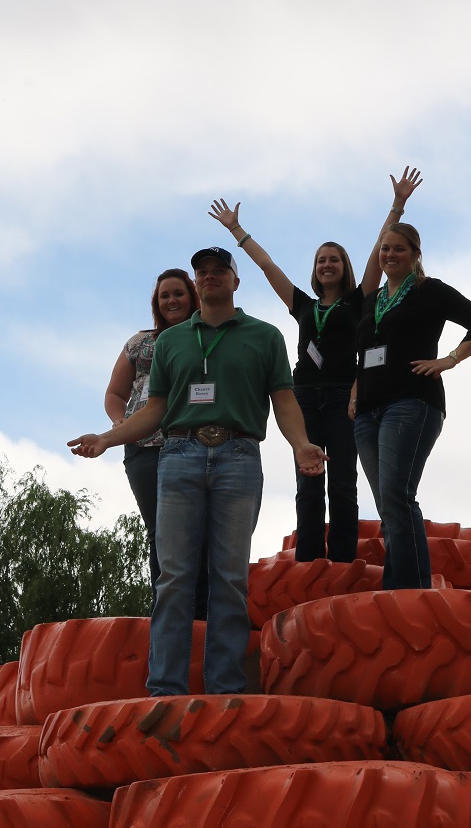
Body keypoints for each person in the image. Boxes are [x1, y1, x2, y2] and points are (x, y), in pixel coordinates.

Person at [68, 246, 326, 696]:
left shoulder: (265, 336)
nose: (210, 277)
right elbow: (155, 411)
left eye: (218, 271)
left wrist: (302, 444)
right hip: (179, 454)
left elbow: (284, 401)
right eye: (202, 272)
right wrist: (109, 438)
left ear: (234, 280)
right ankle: (165, 689)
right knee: (174, 577)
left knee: (229, 577)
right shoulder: (170, 342)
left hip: (239, 455)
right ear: (196, 281)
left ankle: (224, 688)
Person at [206, 169, 422, 562]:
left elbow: (379, 250)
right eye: (322, 260)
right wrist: (237, 231)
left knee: (342, 484)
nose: (327, 265)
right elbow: (267, 267)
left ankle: (341, 563)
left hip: (344, 398)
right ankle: (307, 563)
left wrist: (397, 205)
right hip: (302, 398)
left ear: (345, 266)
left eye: (334, 259)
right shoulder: (303, 305)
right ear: (315, 267)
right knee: (308, 483)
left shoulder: (358, 301)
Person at [351, 183, 471, 591]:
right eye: (385, 250)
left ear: (416, 254)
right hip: (367, 411)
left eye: (399, 249)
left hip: (411, 402)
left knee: (398, 494)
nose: (390, 255)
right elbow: (364, 354)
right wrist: (354, 394)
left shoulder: (428, 291)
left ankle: (411, 588)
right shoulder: (372, 298)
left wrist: (449, 359)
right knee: (387, 505)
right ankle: (399, 585)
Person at [103, 268, 199, 592]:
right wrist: (121, 424)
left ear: (192, 297)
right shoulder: (140, 342)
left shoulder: (206, 336)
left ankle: (200, 609)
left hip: (193, 443)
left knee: (195, 527)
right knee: (158, 529)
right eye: (165, 295)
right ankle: (165, 606)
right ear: (157, 303)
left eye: (178, 293)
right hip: (143, 445)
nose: (171, 300)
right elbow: (115, 394)